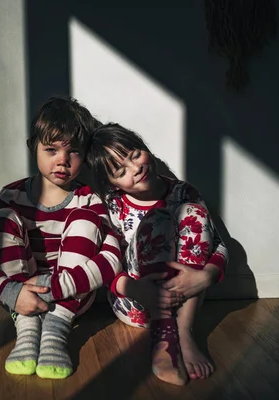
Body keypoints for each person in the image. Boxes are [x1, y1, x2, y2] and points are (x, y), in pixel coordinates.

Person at [0, 97, 122, 379]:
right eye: (51, 150)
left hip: (71, 294)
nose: (62, 161)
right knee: (4, 217)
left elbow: (111, 258)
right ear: (34, 148)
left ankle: (56, 329)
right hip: (20, 294)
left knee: (84, 217)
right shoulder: (11, 195)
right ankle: (27, 328)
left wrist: (57, 287)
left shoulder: (88, 199)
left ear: (85, 155)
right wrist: (11, 293)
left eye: (73, 152)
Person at [83, 122, 229, 385]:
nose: (136, 168)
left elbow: (217, 244)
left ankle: (183, 333)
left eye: (135, 155)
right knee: (157, 218)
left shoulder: (183, 191)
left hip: (186, 299)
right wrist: (135, 289)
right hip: (138, 302)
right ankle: (163, 336)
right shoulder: (114, 206)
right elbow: (105, 263)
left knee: (193, 211)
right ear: (111, 184)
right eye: (121, 170)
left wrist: (205, 277)